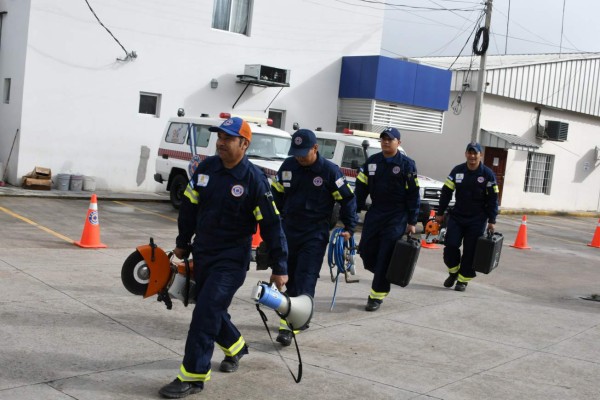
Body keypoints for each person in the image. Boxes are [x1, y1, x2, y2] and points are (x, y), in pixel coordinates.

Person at [158, 117, 289, 399]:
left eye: (228, 138)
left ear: (244, 144)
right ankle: (237, 346)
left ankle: (192, 376)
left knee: (205, 311)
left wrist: (280, 266)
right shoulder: (206, 169)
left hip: (231, 259)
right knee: (211, 310)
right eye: (219, 137)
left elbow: (271, 225)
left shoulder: (254, 180)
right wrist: (183, 243)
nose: (220, 142)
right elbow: (189, 208)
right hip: (203, 253)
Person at [271, 129, 358, 346]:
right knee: (287, 273)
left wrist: (349, 226)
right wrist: (273, 223)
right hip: (288, 230)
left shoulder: (329, 172)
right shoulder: (288, 167)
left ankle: (289, 325)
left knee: (305, 276)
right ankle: (302, 314)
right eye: (296, 152)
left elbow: (347, 199)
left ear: (316, 148)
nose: (299, 157)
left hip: (314, 233)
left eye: (304, 152)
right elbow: (275, 195)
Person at [355, 127, 420, 312]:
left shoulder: (407, 164)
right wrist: (353, 212)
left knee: (385, 253)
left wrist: (412, 221)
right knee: (367, 251)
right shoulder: (372, 162)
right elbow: (360, 189)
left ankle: (376, 295)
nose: (385, 142)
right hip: (376, 212)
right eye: (383, 139)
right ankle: (384, 274)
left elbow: (413, 194)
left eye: (390, 139)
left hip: (397, 215)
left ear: (398, 143)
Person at [435, 141, 499, 292]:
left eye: (475, 153)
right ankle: (453, 272)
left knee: (470, 251)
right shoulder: (457, 171)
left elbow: (493, 199)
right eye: (469, 152)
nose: (472, 156)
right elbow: (446, 192)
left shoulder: (487, 174)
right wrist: (439, 212)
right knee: (450, 245)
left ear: (480, 155)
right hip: (457, 217)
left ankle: (463, 280)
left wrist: (492, 220)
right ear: (465, 154)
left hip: (477, 219)